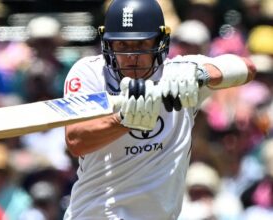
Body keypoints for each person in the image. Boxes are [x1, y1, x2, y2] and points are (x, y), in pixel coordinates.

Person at [62, 0, 256, 219]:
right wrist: (124, 120)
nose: (131, 56)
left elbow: (248, 69)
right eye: (122, 46)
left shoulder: (180, 72)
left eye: (141, 45)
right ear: (108, 44)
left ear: (160, 42)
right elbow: (76, 141)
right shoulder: (90, 73)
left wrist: (201, 74)